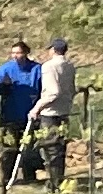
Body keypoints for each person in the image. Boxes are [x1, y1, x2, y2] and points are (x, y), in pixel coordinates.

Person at [19, 38, 75, 184]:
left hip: (50, 113)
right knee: (60, 148)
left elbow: (53, 92)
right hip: (64, 110)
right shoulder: (69, 65)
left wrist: (36, 108)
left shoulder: (49, 66)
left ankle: (54, 183)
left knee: (50, 149)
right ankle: (58, 179)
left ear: (53, 50)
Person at [0, 38, 45, 186]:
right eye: (13, 53)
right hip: (10, 114)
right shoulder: (5, 69)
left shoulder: (37, 69)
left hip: (30, 114)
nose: (15, 56)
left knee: (30, 147)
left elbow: (43, 89)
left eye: (19, 53)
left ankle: (30, 176)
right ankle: (6, 178)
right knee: (9, 148)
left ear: (26, 53)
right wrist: (4, 86)